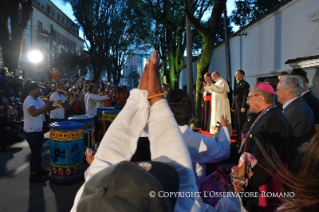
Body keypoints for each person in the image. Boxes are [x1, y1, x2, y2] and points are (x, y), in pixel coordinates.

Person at [71, 51, 241, 212]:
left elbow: (102, 168)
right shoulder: (199, 142)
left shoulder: (90, 203)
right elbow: (186, 187)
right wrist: (151, 100)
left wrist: (145, 101)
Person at [239, 83, 294, 212]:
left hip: (264, 182)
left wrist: (250, 180)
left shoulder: (275, 119)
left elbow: (273, 159)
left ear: (259, 98)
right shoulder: (266, 114)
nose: (247, 102)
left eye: (249, 97)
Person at [167, 89, 230, 187]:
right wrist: (224, 128)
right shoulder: (199, 141)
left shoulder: (155, 137)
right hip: (192, 196)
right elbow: (224, 151)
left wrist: (217, 135)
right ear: (191, 114)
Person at [23, 83, 56, 182]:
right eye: (38, 89)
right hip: (31, 131)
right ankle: (33, 174)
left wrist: (57, 105)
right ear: (32, 91)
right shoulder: (29, 100)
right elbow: (33, 112)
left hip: (38, 129)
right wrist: (46, 107)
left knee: (39, 151)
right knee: (35, 152)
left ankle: (39, 170)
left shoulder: (37, 99)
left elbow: (46, 108)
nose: (40, 91)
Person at [276, 76, 315, 151]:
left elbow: (287, 140)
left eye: (277, 89)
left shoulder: (296, 111)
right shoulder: (297, 105)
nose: (276, 92)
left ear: (287, 92)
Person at [231, 70, 250, 143]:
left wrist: (244, 106)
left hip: (241, 106)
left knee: (241, 122)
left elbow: (245, 96)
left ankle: (242, 136)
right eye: (236, 74)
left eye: (238, 74)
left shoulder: (245, 84)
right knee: (237, 122)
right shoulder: (236, 84)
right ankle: (238, 135)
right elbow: (234, 96)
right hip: (236, 106)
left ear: (242, 75)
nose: (236, 76)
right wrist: (232, 106)